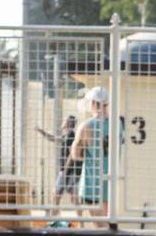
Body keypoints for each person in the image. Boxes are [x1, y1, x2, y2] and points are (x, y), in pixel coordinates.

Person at [66, 86, 117, 226]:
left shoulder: (87, 126)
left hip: (92, 184)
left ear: (94, 103)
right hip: (111, 183)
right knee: (109, 226)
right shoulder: (118, 124)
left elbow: (75, 154)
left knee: (101, 227)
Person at [39, 114, 79, 206]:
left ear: (68, 123)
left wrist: (65, 170)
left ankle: (54, 216)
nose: (63, 122)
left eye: (64, 120)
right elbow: (52, 138)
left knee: (56, 195)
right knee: (71, 198)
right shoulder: (67, 136)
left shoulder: (70, 137)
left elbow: (71, 155)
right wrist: (41, 131)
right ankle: (81, 219)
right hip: (68, 171)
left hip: (67, 171)